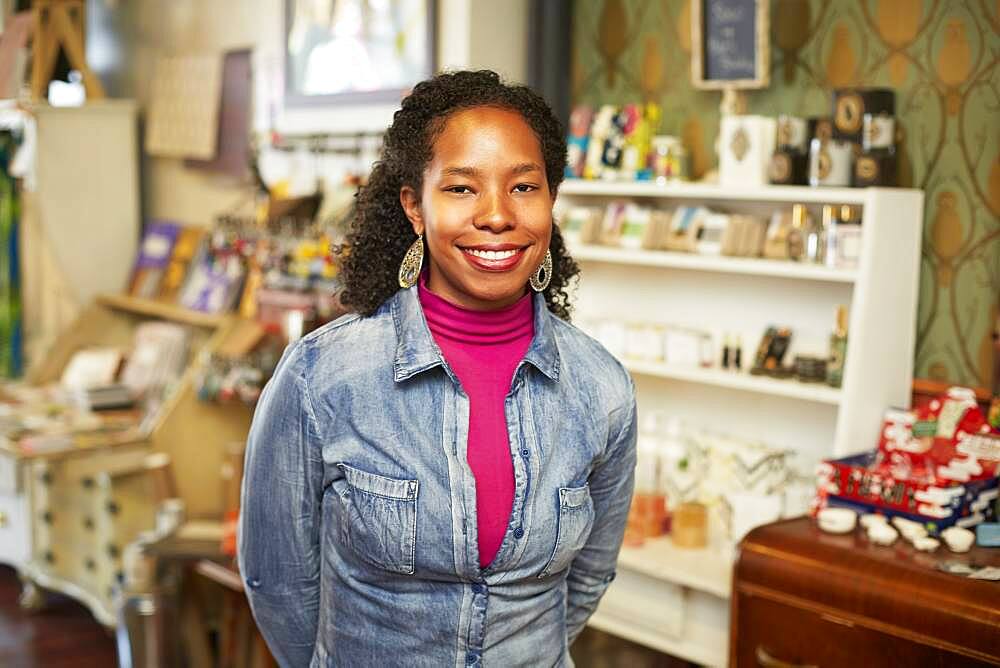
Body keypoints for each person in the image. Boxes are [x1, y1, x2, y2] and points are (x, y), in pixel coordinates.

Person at [238, 69, 637, 667]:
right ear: (415, 207)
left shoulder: (601, 388)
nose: (498, 216)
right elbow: (278, 580)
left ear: (552, 199)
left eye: (524, 187)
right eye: (461, 189)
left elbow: (588, 578)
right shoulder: (322, 376)